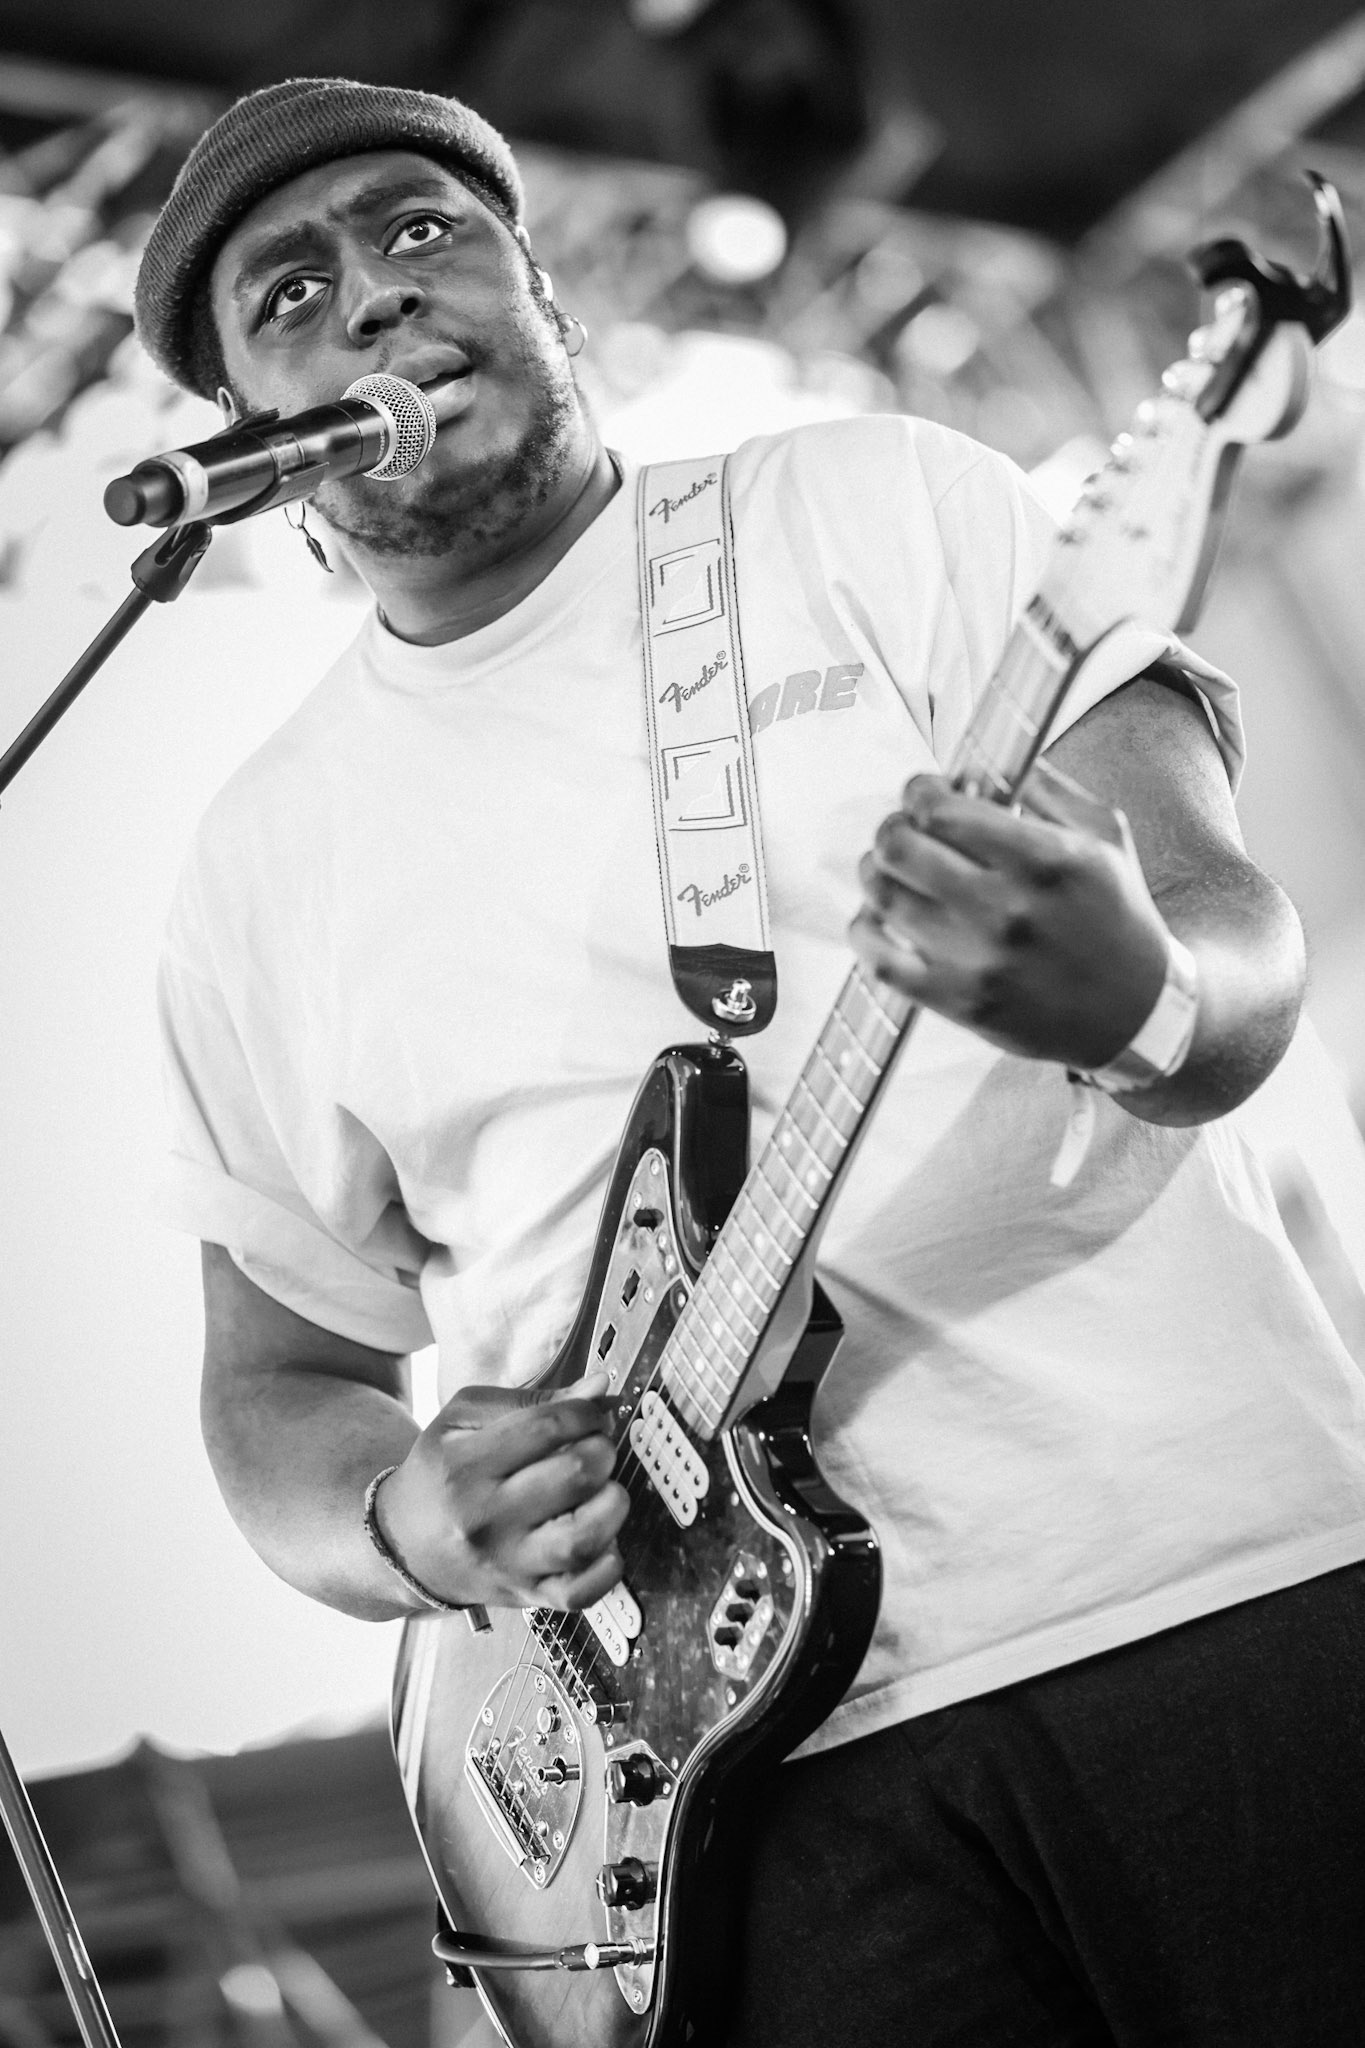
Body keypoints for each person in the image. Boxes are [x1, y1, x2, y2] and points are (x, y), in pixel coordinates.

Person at [138, 76, 1365, 2046]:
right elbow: (277, 1383)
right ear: (240, 440)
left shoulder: (872, 500)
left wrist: (1130, 999)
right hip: (713, 1801)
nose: (367, 296)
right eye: (287, 291)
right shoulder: (256, 863)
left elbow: (1227, 948)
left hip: (1213, 1590)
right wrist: (400, 1521)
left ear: (541, 286)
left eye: (418, 230)